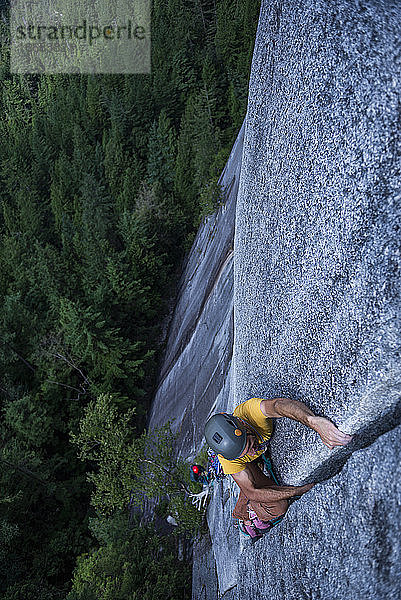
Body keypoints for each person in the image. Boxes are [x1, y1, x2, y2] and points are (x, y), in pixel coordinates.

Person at [204, 397, 353, 527]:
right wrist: (297, 491)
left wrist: (312, 421)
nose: (252, 451)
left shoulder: (250, 412)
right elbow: (252, 492)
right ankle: (248, 512)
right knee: (278, 507)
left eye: (249, 445)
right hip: (247, 467)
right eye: (245, 453)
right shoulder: (229, 461)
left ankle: (245, 507)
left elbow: (279, 405)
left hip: (251, 460)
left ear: (243, 425)